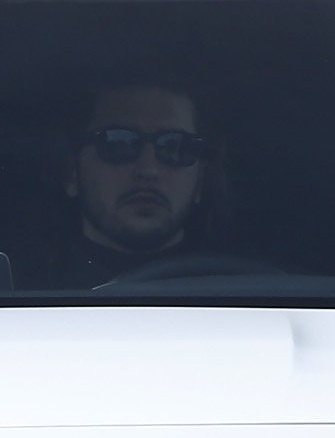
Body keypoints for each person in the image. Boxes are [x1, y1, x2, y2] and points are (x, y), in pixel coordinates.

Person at [56, 78, 224, 286]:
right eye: (118, 144)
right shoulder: (20, 299)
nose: (148, 170)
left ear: (200, 178)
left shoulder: (247, 294)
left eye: (175, 147)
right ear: (71, 172)